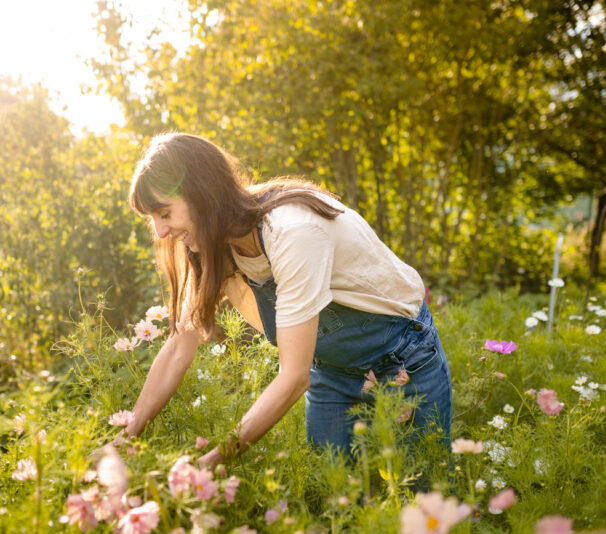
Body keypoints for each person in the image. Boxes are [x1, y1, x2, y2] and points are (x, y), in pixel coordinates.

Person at [118, 132, 452, 467]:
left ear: (202, 194)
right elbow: (179, 346)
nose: (161, 232)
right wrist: (124, 439)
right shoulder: (211, 245)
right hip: (333, 370)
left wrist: (214, 461)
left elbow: (294, 376)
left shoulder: (292, 232)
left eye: (164, 213)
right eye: (153, 220)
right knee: (336, 500)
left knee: (422, 489)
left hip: (401, 355)